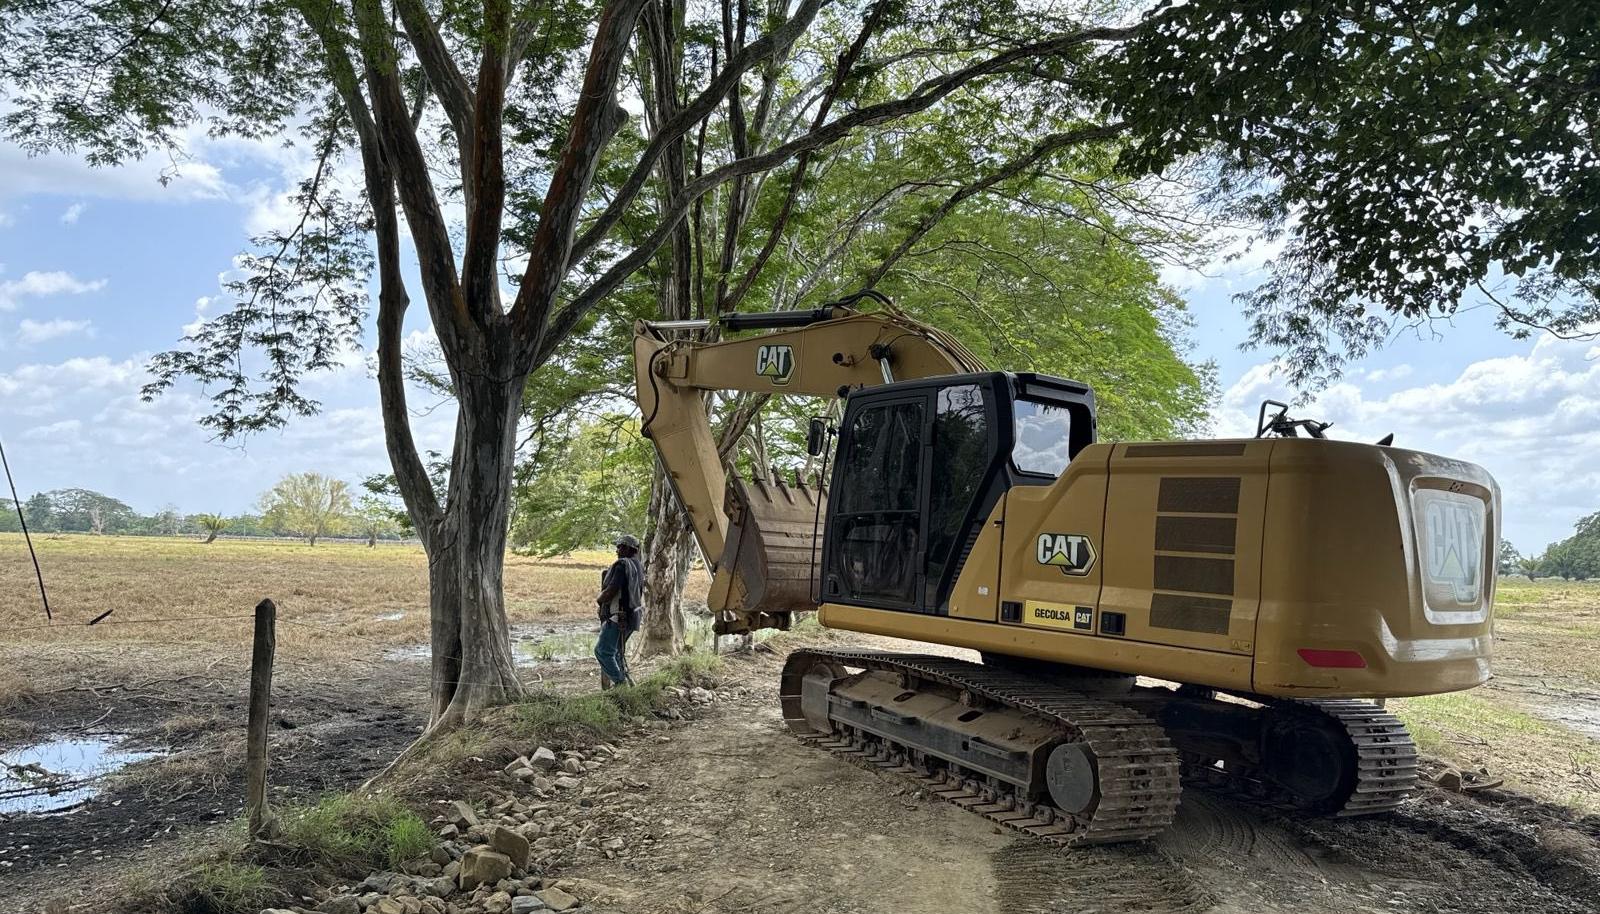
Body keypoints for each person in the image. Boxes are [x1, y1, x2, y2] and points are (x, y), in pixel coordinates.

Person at [594, 534, 643, 688]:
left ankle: (621, 684)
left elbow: (611, 590)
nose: (617, 550)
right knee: (617, 652)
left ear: (629, 548)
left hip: (619, 615)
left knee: (603, 651)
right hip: (634, 615)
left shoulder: (622, 565)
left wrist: (600, 600)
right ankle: (629, 685)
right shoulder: (638, 566)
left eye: (620, 546)